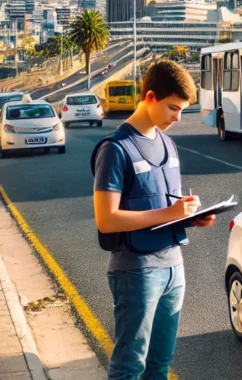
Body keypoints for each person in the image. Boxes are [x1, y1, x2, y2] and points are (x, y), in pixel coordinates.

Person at [91, 60, 216, 380]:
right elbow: (107, 220)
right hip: (136, 269)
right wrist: (170, 213)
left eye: (182, 110)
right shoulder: (115, 149)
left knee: (160, 364)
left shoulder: (169, 145)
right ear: (149, 97)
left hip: (174, 266)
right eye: (173, 108)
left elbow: (165, 205)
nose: (177, 118)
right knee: (129, 364)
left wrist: (190, 215)